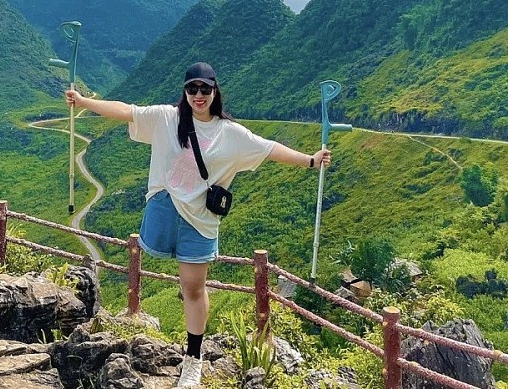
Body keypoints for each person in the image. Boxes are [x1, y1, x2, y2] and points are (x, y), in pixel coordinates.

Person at [65, 62, 331, 388]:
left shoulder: (229, 133)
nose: (199, 95)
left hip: (201, 221)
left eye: (205, 88)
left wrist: (309, 160)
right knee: (181, 280)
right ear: (185, 92)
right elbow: (126, 111)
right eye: (192, 89)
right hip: (165, 209)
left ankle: (194, 358)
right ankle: (191, 331)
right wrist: (84, 101)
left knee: (192, 287)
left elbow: (269, 148)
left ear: (215, 90)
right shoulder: (167, 117)